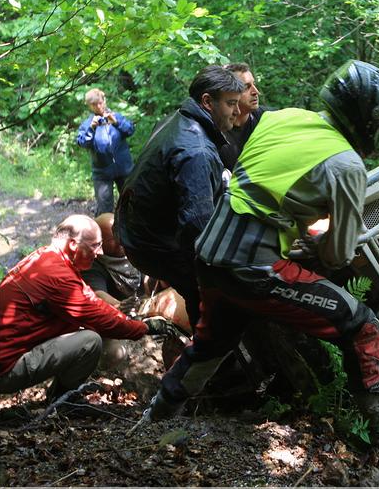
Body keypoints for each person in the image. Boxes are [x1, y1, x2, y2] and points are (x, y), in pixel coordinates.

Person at [140, 60, 379, 452]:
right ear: (366, 120)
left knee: (211, 345)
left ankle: (152, 421)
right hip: (253, 265)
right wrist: (314, 244)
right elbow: (338, 253)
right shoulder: (347, 164)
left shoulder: (284, 118)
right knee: (363, 325)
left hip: (211, 254)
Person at [115, 65, 244, 329]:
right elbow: (198, 228)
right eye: (231, 104)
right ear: (207, 102)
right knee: (212, 293)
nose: (237, 111)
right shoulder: (195, 150)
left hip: (136, 230)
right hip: (151, 242)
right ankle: (211, 352)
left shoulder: (176, 119)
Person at [0, 215, 168, 399]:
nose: (100, 253)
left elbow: (92, 303)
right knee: (90, 342)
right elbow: (100, 318)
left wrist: (124, 316)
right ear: (72, 245)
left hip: (7, 358)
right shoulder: (57, 276)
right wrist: (145, 328)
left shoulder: (47, 258)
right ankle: (64, 400)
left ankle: (59, 397)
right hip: (6, 369)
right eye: (95, 245)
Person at [77, 89, 135, 215]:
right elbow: (83, 143)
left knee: (132, 204)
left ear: (104, 100)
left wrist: (116, 122)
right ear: (89, 106)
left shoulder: (116, 116)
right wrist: (91, 128)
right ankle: (105, 234)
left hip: (124, 169)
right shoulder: (87, 124)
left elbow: (130, 130)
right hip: (102, 172)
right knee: (104, 210)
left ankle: (130, 233)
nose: (98, 106)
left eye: (100, 102)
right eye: (94, 104)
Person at [221, 63, 268, 167]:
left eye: (254, 84)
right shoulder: (217, 129)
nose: (256, 92)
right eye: (246, 87)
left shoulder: (267, 119)